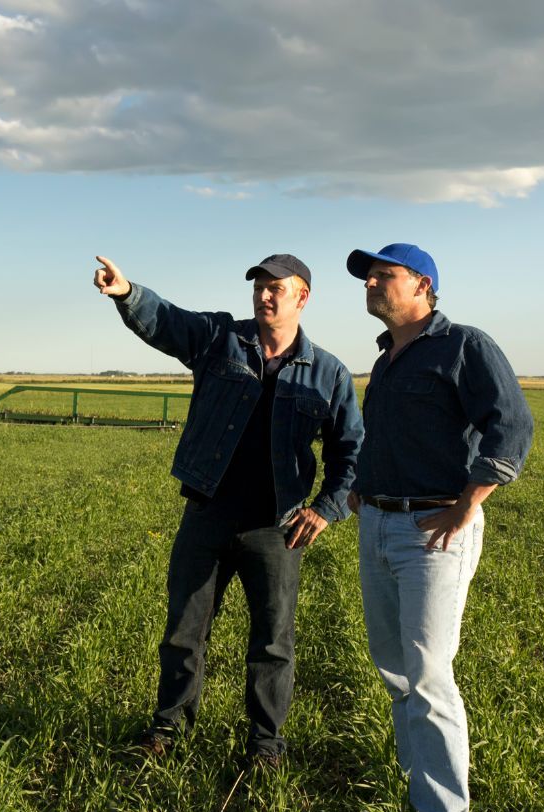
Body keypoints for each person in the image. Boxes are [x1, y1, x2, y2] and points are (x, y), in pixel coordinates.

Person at [93, 253, 362, 769]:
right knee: (184, 631)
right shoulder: (221, 339)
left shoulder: (328, 373)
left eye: (275, 288)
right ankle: (168, 729)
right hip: (208, 514)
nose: (263, 295)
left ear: (302, 297)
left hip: (277, 527)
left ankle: (265, 745)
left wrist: (326, 509)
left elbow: (351, 450)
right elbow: (168, 323)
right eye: (258, 287)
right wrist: (127, 293)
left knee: (273, 642)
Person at [343, 243, 534, 812]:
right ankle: (417, 785)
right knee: (394, 667)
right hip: (379, 523)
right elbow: (382, 435)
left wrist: (468, 502)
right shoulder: (387, 359)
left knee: (428, 674)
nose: (371, 284)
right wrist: (362, 488)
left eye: (384, 275)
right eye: (368, 277)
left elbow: (511, 425)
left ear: (423, 285)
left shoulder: (464, 345)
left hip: (433, 530)